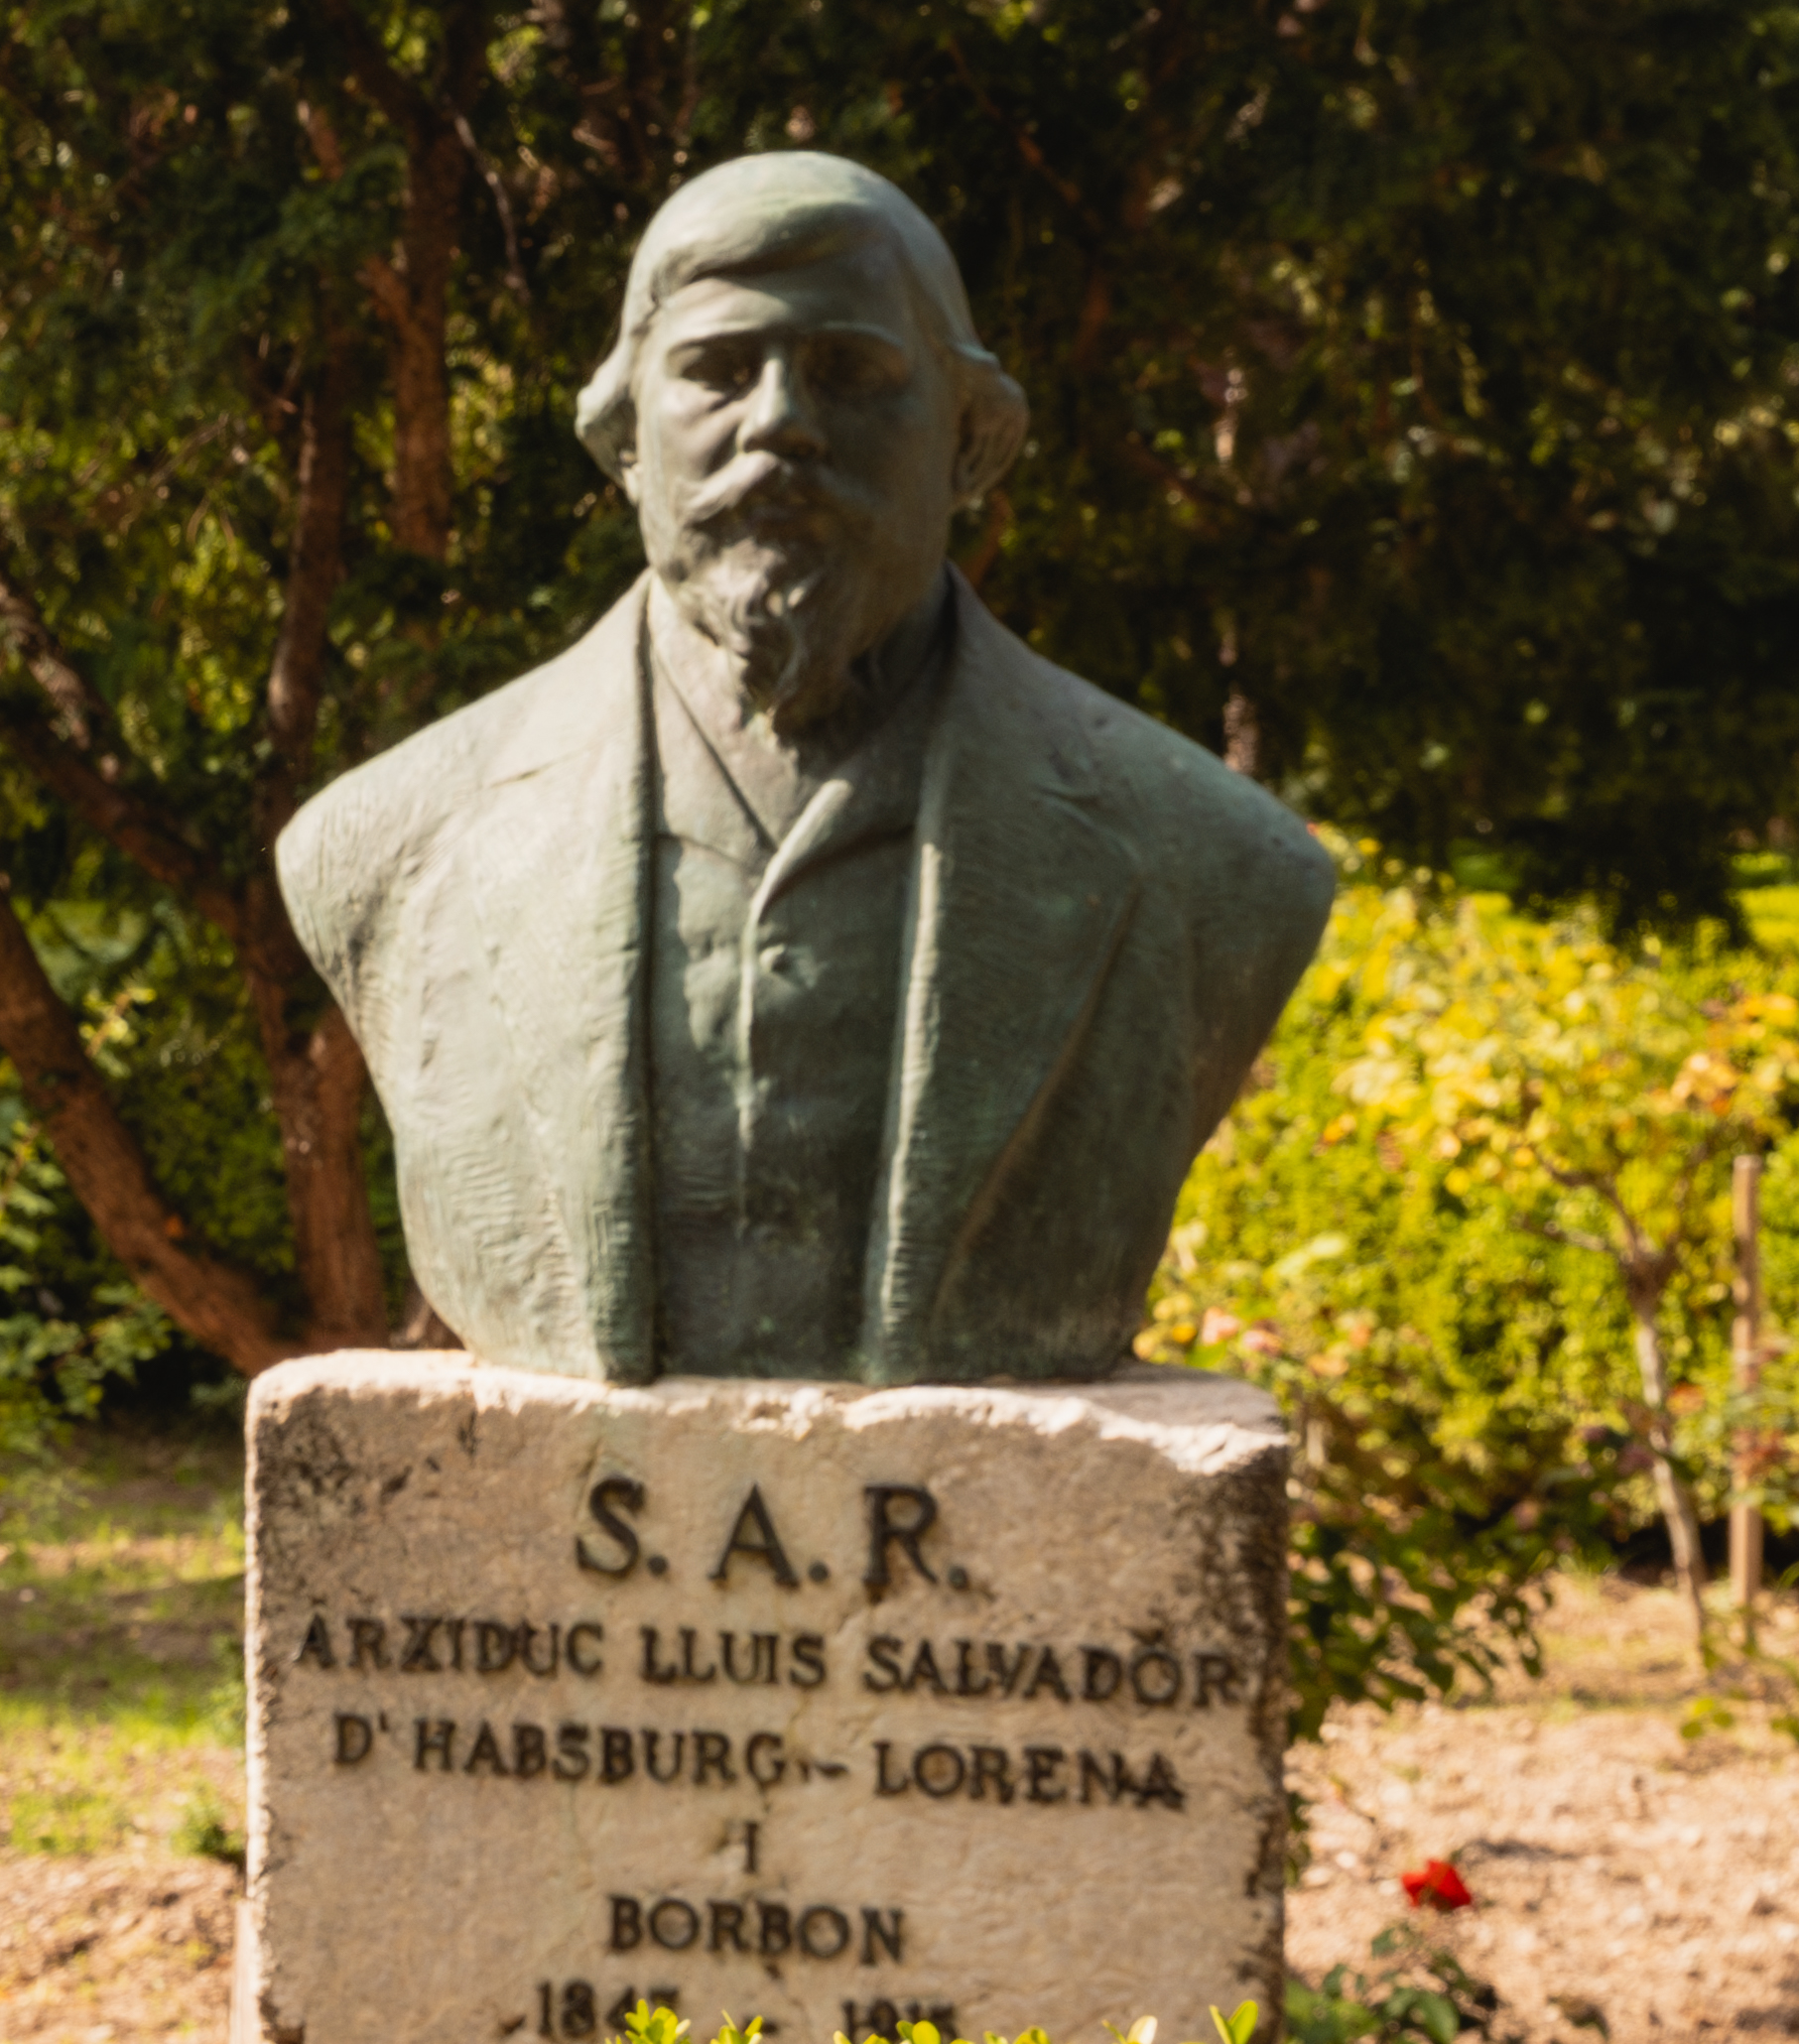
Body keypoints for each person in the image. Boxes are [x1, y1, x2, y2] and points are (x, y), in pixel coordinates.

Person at [275, 149, 1337, 1383]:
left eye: (851, 369)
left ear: (972, 445)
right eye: (718, 372)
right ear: (626, 442)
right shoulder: (389, 843)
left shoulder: (1211, 858)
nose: (778, 421)